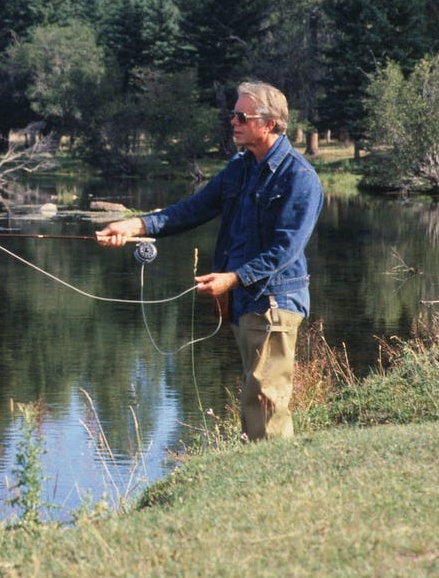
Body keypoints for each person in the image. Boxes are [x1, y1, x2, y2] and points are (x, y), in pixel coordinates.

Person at [96, 81, 324, 440]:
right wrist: (135, 224)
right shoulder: (242, 167)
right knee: (253, 393)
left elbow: (285, 250)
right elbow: (192, 210)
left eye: (241, 116)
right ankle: (257, 476)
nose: (232, 122)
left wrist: (232, 278)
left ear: (269, 124)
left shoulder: (300, 179)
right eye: (233, 115)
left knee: (266, 396)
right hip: (245, 303)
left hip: (275, 303)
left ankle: (276, 480)